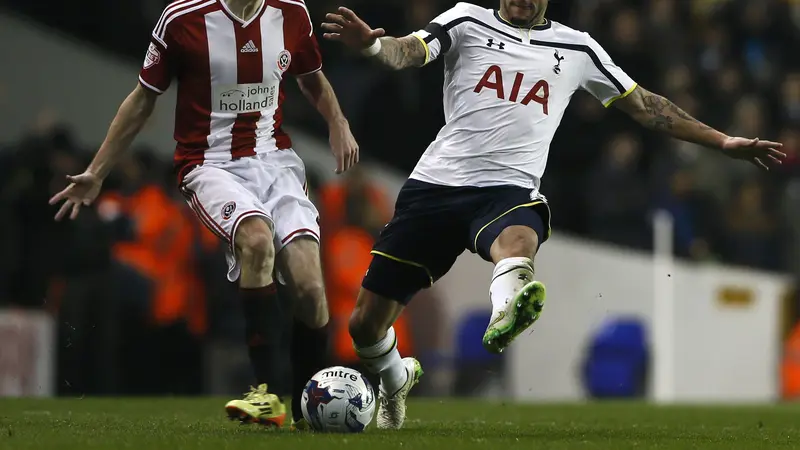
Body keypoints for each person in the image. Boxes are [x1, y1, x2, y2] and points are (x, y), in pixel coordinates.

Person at [322, 0, 785, 430]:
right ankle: (394, 377)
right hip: (436, 186)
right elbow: (411, 52)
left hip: (507, 188)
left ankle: (508, 306)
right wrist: (375, 45)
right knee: (365, 324)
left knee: (519, 238)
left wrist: (722, 141)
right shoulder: (466, 20)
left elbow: (646, 106)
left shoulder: (577, 46)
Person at [49, 0, 358, 430]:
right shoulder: (183, 19)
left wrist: (338, 122)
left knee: (309, 285)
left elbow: (313, 80)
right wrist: (98, 172)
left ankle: (310, 407)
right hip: (209, 163)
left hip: (276, 162)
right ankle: (266, 394)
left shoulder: (292, 13)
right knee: (255, 240)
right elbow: (143, 99)